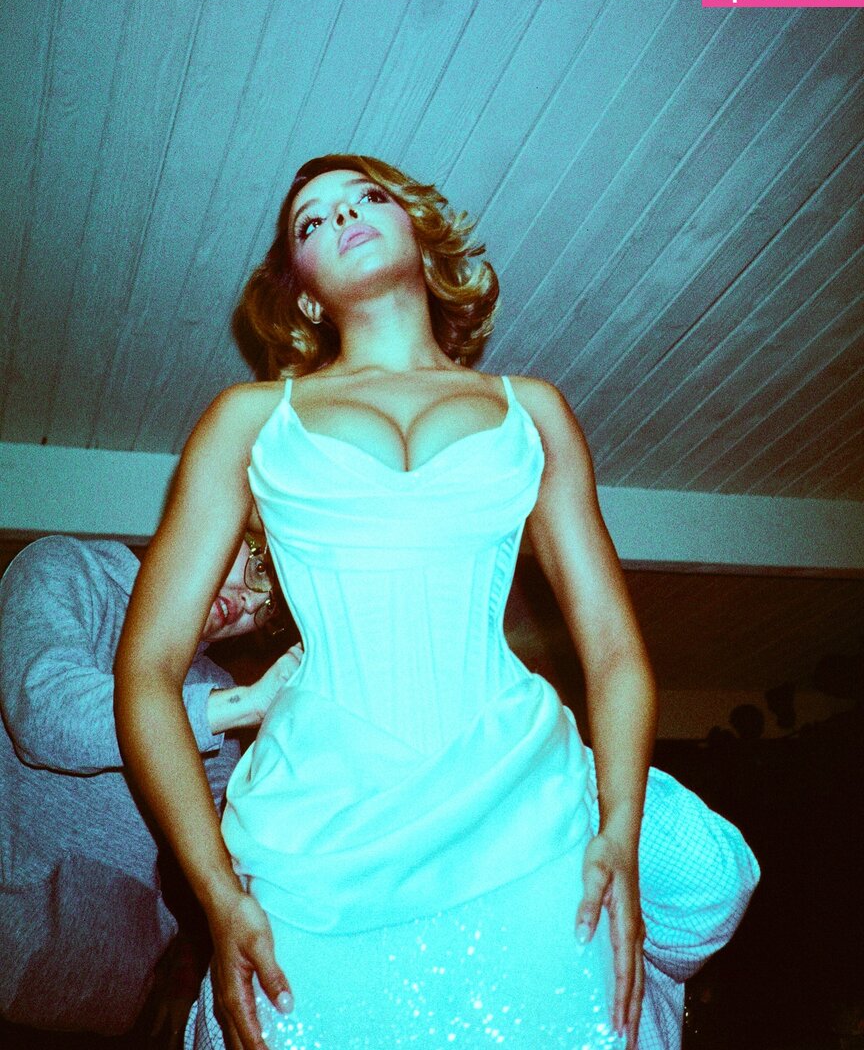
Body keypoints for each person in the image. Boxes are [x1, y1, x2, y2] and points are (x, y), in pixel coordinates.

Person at [113, 154, 751, 1050]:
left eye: (366, 197)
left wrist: (616, 834)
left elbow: (613, 650)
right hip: (321, 830)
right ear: (303, 295)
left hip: (522, 802)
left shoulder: (535, 411)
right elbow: (145, 671)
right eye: (310, 222)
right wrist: (218, 895)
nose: (342, 217)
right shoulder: (248, 422)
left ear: (418, 234)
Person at [0, 531, 300, 1036]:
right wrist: (243, 705)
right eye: (259, 568)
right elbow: (43, 710)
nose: (251, 603)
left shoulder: (214, 691)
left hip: (102, 1010)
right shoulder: (68, 568)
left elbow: (228, 857)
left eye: (268, 608)